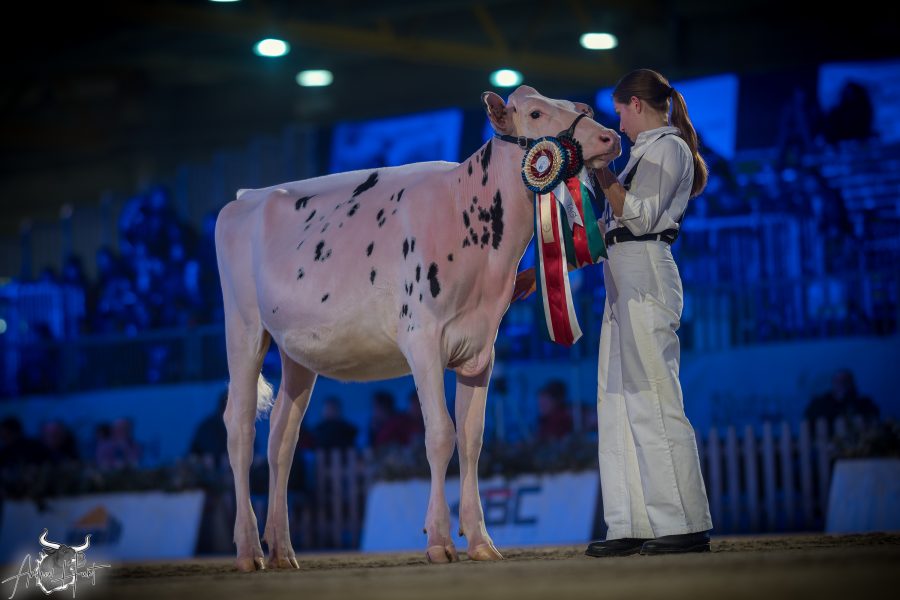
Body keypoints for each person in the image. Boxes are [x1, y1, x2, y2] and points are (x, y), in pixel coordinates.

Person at [514, 68, 713, 556]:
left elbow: (639, 217)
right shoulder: (646, 153)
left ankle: (683, 521)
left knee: (652, 396)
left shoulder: (669, 148)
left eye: (621, 112)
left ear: (637, 105)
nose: (618, 123)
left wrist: (600, 170)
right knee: (617, 401)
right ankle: (630, 522)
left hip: (645, 271)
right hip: (622, 276)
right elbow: (603, 234)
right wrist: (538, 274)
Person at [804, 368, 879, 428]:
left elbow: (873, 417)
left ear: (852, 383)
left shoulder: (864, 403)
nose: (841, 384)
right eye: (838, 381)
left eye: (845, 381)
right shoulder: (820, 404)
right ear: (833, 383)